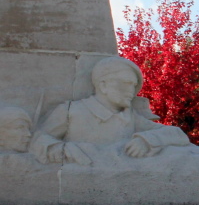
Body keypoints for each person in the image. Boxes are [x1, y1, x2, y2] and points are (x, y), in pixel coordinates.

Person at [30, 56, 189, 165]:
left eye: (134, 86)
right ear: (103, 85)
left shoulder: (130, 117)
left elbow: (177, 134)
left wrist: (146, 140)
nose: (131, 91)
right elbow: (38, 139)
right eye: (125, 83)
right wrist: (58, 148)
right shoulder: (70, 111)